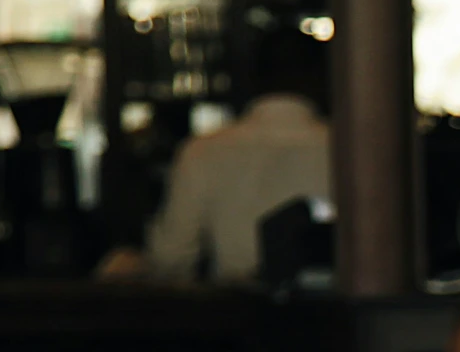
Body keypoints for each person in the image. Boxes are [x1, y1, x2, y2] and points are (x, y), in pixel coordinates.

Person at [138, 27, 332, 283]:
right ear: (321, 76)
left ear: (253, 78)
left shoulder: (202, 151)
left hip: (234, 313)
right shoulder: (349, 150)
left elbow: (171, 260)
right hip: (331, 315)